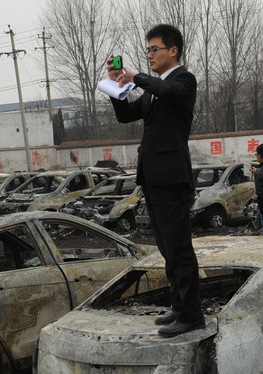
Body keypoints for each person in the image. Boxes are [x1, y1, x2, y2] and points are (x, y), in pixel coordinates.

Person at [107, 24, 204, 337]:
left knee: (179, 248)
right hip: (153, 178)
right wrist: (116, 88)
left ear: (172, 51)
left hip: (173, 179)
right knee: (166, 247)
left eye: (154, 49)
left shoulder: (182, 80)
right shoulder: (154, 89)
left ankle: (192, 315)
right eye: (147, 49)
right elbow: (126, 115)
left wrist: (135, 77)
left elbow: (166, 91)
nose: (149, 54)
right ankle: (178, 306)